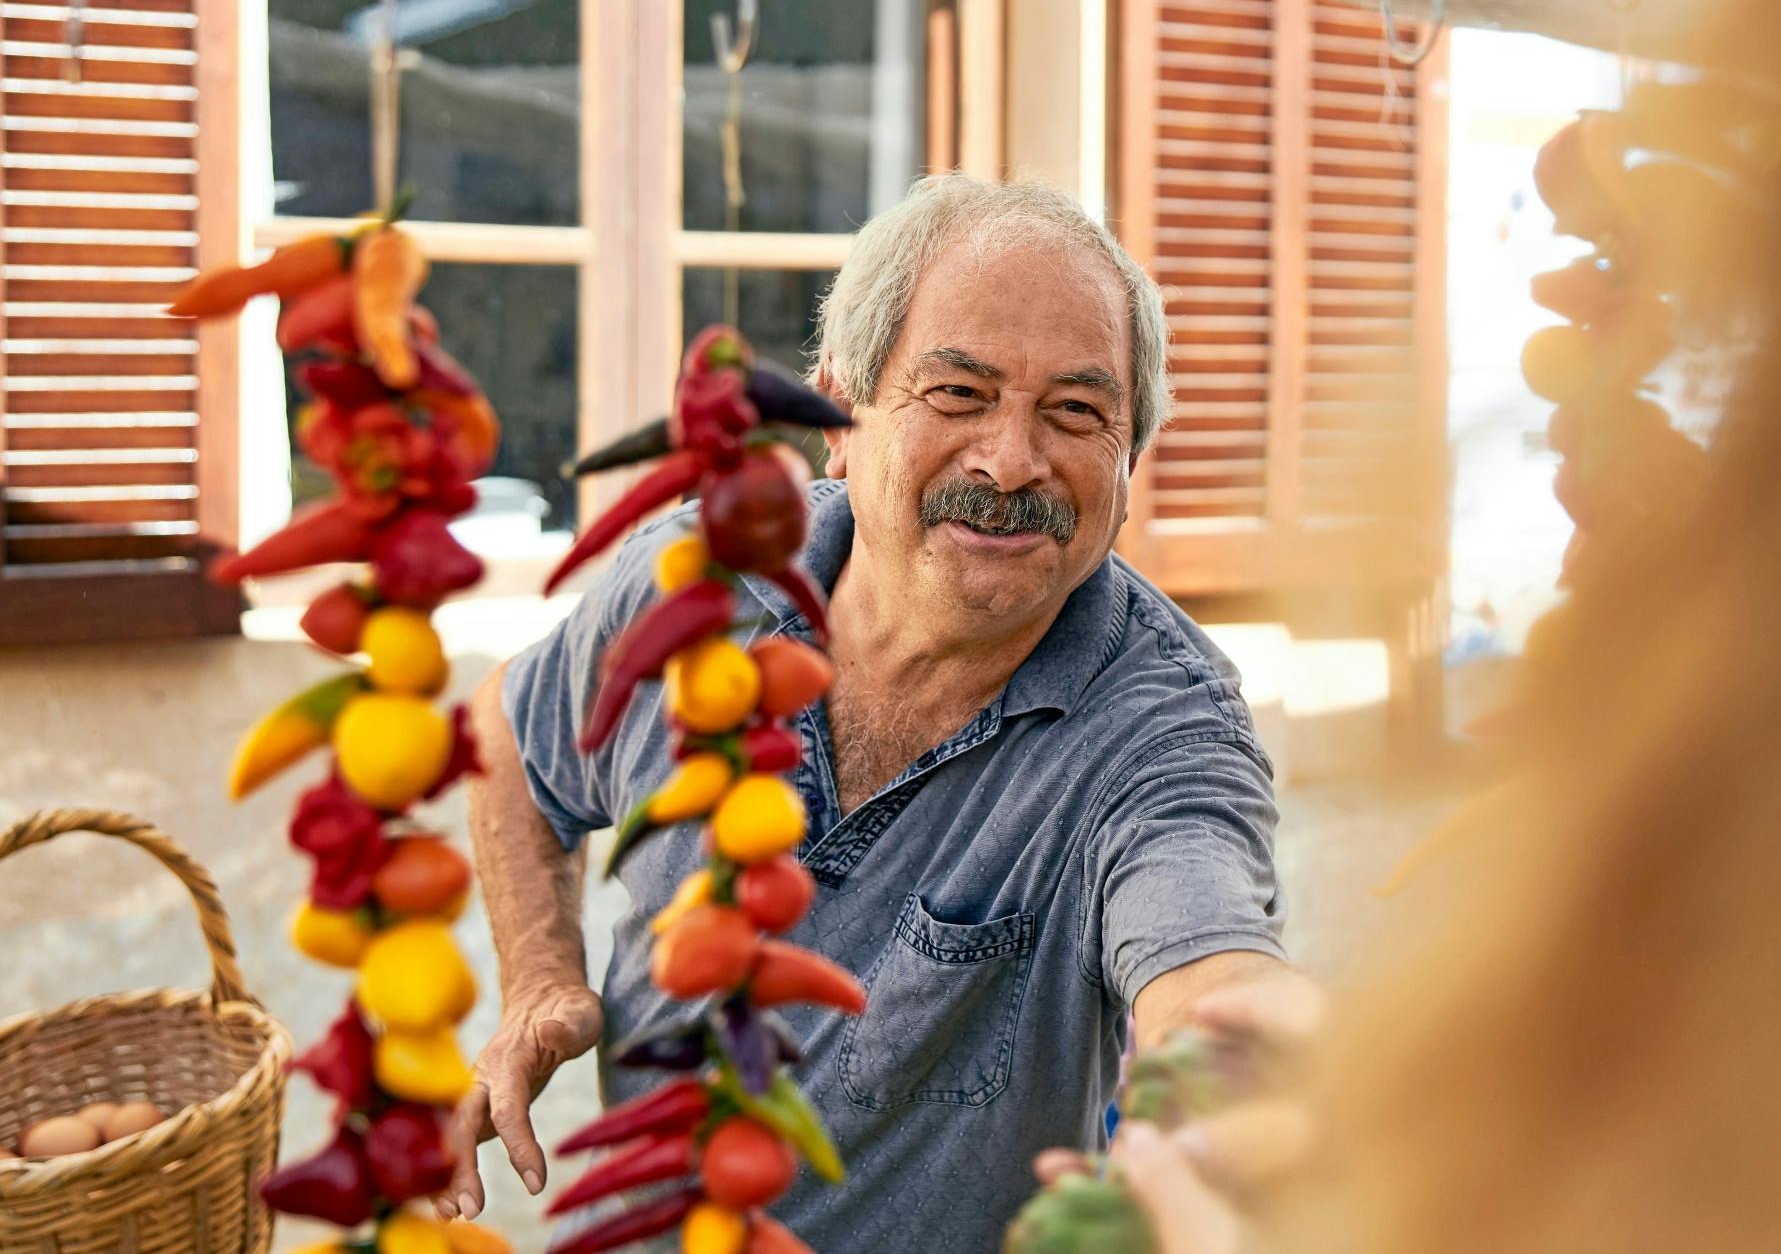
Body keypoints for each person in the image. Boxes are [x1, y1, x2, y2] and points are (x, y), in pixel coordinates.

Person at [1098, 0, 1781, 1249]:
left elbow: (1187, 878)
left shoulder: (1158, 686)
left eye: (1083, 407)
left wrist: (1235, 1022)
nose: (1016, 454)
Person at [438, 175, 1300, 1249]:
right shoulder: (701, 580)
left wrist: (1253, 1044)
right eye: (957, 393)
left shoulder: (1159, 726)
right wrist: (539, 977)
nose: (1011, 461)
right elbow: (506, 734)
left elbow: (1202, 956)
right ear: (836, 417)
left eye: (1076, 412)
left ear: (1128, 463)